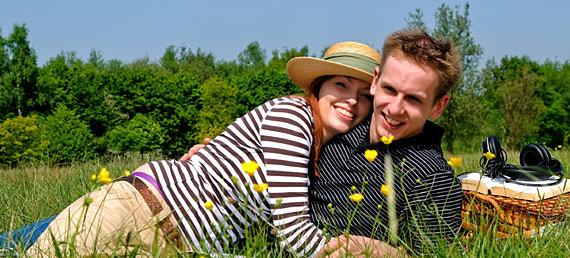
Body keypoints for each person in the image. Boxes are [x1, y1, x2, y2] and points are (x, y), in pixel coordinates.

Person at [24, 41, 382, 257]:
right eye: (341, 84)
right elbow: (291, 226)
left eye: (365, 96)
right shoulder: (293, 115)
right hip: (134, 216)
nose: (352, 101)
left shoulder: (319, 150)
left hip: (172, 245)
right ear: (318, 87)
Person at [312, 29, 464, 257]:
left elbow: (436, 253)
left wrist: (387, 253)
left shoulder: (432, 176)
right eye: (389, 89)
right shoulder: (344, 122)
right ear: (375, 81)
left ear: (438, 106)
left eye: (414, 99)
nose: (394, 108)